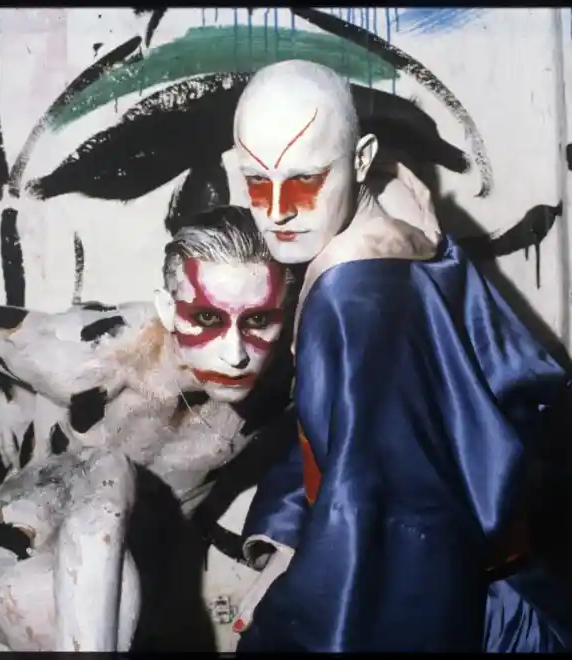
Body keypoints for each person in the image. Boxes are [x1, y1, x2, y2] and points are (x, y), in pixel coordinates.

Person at [230, 59, 572, 652]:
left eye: (305, 180)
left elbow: (384, 533)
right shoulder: (412, 241)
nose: (278, 209)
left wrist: (280, 635)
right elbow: (353, 439)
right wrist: (289, 530)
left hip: (472, 616)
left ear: (362, 159)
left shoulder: (353, 301)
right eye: (258, 182)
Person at [0, 205, 294, 652]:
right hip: (12, 557)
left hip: (132, 596)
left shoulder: (285, 379)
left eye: (258, 320)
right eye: (207, 318)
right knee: (106, 471)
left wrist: (286, 547)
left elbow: (344, 450)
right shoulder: (90, 357)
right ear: (168, 309)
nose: (236, 353)